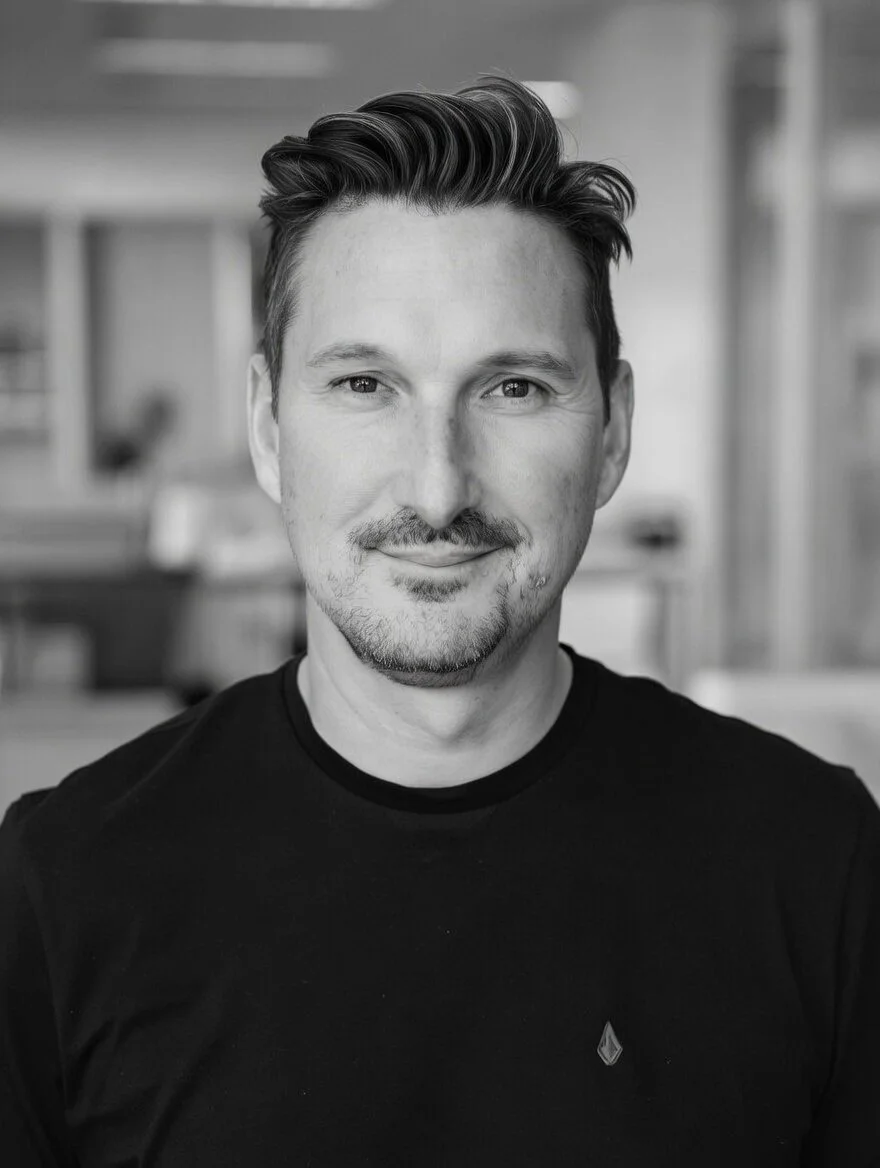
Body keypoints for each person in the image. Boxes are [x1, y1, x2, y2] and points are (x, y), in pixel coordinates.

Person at [1, 76, 878, 1168]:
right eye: (365, 384)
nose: (436, 484)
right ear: (270, 426)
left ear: (611, 432)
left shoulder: (814, 862)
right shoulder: (64, 885)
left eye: (512, 388)